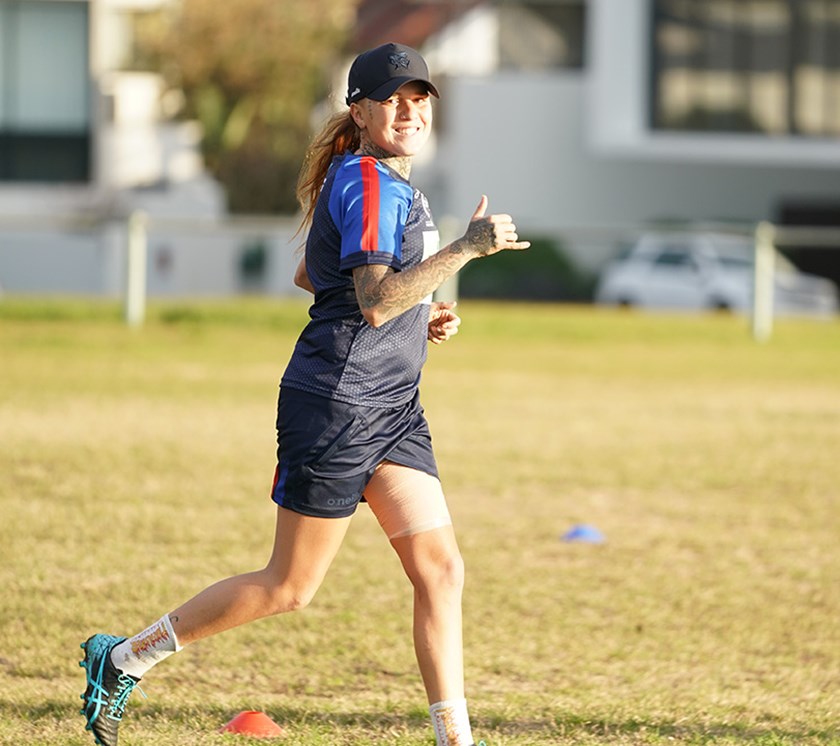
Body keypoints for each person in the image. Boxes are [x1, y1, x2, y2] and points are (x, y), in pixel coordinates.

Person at [78, 42, 529, 746]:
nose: (408, 110)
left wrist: (419, 315)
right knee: (289, 587)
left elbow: (314, 277)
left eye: (419, 98)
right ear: (360, 111)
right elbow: (373, 301)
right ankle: (124, 658)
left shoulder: (379, 180)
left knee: (442, 571)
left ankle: (455, 740)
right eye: (390, 99)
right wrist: (467, 248)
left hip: (393, 408)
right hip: (338, 405)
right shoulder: (371, 183)